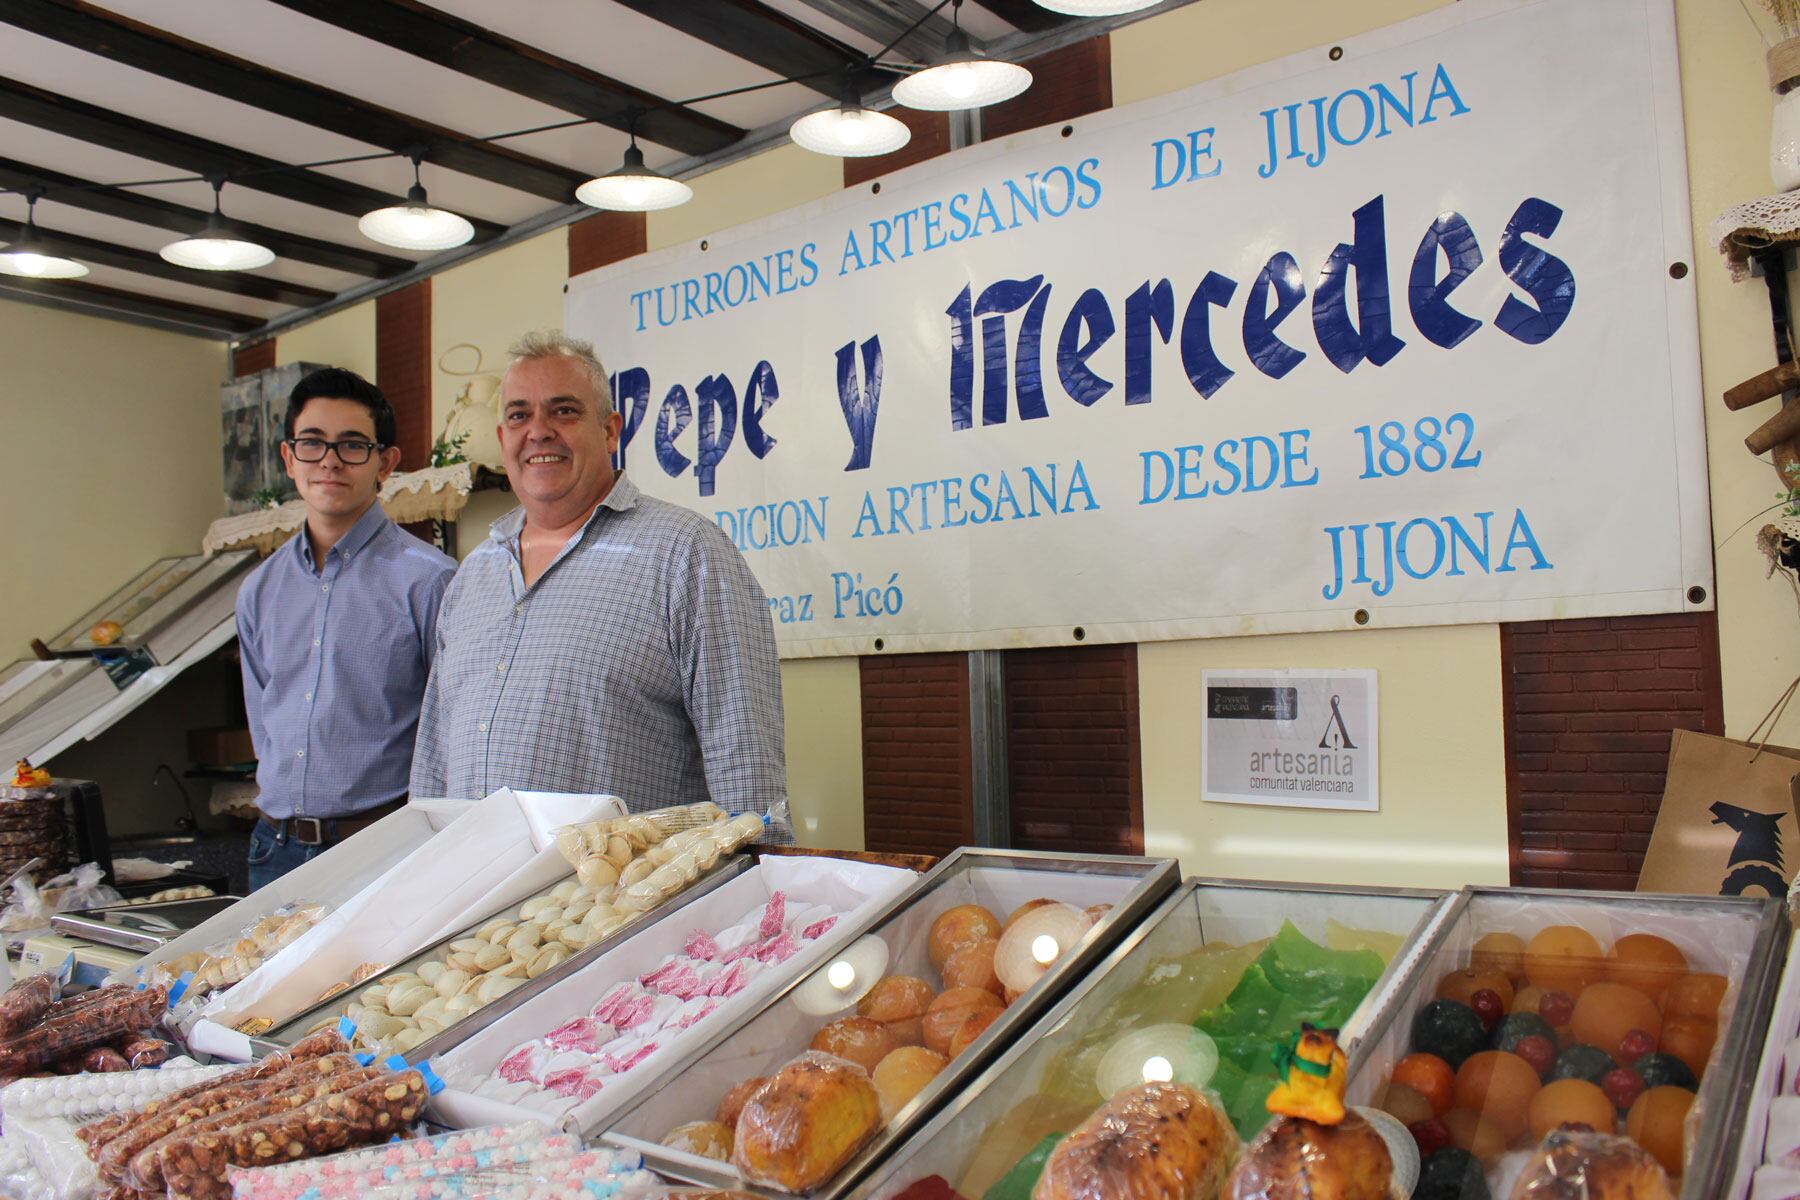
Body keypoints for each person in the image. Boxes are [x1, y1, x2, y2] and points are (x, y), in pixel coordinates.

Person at [409, 331, 786, 826]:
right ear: (503, 440)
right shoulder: (471, 578)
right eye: (519, 415)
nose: (538, 431)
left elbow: (746, 767)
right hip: (473, 897)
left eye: (563, 411)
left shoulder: (686, 553)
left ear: (611, 431)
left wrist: (754, 879)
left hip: (626, 901)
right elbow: (433, 764)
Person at [237, 368, 457, 889]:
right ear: (289, 458)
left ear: (386, 463)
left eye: (353, 445)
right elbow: (263, 727)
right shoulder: (259, 589)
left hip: (380, 850)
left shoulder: (430, 582)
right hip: (273, 852)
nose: (330, 461)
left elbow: (449, 736)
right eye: (312, 444)